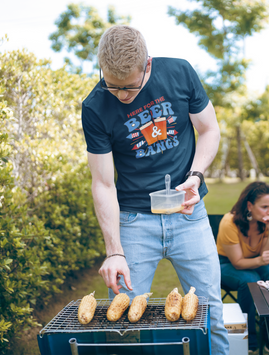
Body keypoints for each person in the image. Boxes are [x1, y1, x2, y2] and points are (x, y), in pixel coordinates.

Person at [81, 25, 229, 354]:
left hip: (189, 215)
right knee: (123, 326)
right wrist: (114, 250)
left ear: (147, 64)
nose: (120, 95)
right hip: (134, 224)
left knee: (210, 315)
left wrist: (196, 175)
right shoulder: (94, 107)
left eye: (129, 88)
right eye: (112, 85)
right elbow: (103, 183)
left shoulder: (179, 72)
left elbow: (209, 129)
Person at [216, 181, 269, 353]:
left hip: (256, 260)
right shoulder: (229, 222)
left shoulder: (268, 220)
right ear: (249, 205)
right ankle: (248, 337)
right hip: (226, 263)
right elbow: (238, 262)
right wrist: (261, 261)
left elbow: (268, 259)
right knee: (250, 279)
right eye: (264, 207)